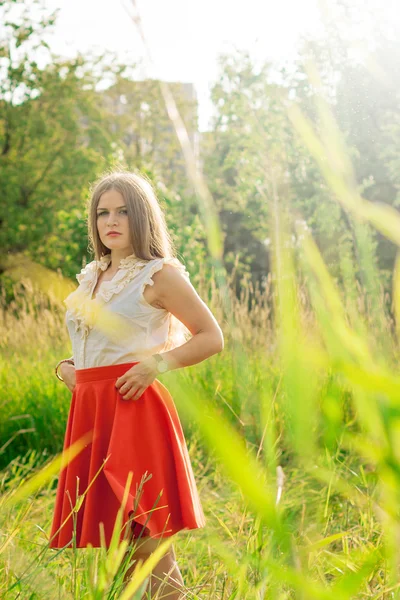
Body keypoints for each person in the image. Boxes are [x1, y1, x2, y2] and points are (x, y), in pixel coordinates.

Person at [48, 170, 224, 599]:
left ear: (141, 216)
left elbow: (211, 336)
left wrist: (156, 365)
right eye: (103, 212)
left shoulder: (158, 275)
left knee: (149, 543)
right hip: (91, 412)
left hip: (134, 410)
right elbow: (91, 349)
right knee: (121, 548)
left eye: (123, 211)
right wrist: (65, 368)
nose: (111, 220)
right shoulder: (92, 277)